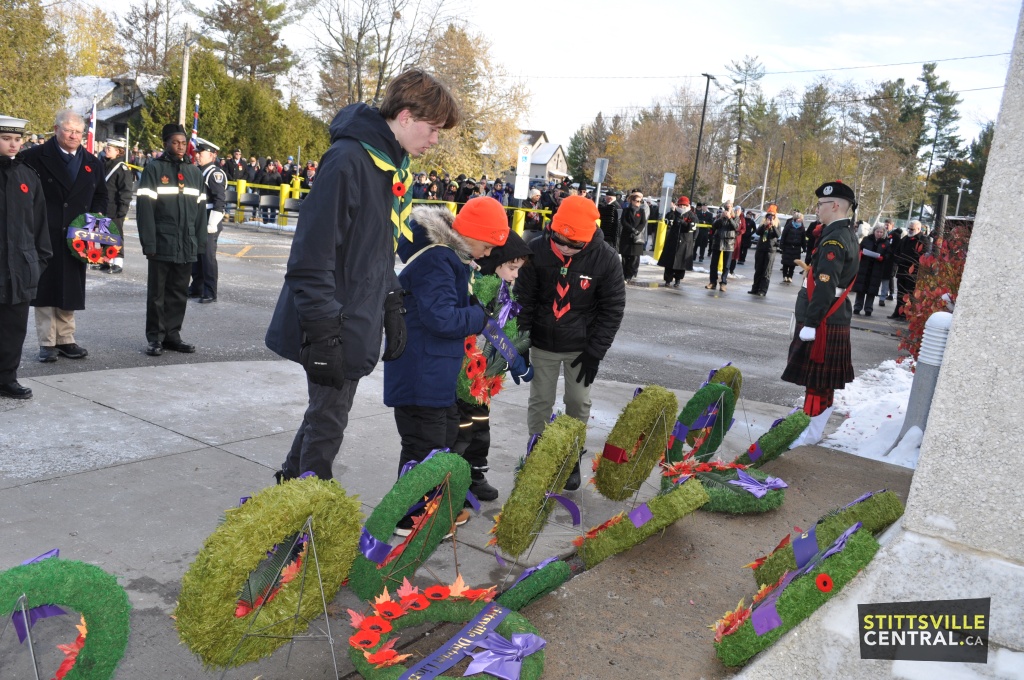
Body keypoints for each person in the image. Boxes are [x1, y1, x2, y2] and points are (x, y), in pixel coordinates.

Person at [266, 68, 460, 483]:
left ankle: (288, 483)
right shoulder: (349, 161)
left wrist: (391, 301)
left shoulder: (388, 166)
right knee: (328, 421)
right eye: (432, 128)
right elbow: (310, 256)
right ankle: (304, 506)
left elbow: (376, 249)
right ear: (405, 116)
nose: (435, 139)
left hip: (355, 314)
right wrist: (324, 332)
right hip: (332, 318)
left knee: (326, 413)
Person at [384, 199, 513, 534]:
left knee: (440, 439)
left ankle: (428, 507)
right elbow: (441, 318)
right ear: (472, 234)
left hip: (433, 372)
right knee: (423, 446)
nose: (487, 254)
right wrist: (478, 315)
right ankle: (409, 517)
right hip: (421, 373)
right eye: (487, 246)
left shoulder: (449, 257)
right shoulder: (439, 260)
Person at [516, 196, 626, 490]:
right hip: (543, 342)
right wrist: (521, 342)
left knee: (577, 400)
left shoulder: (606, 259)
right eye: (559, 240)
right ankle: (538, 452)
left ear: (587, 238)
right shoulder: (537, 250)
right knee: (540, 400)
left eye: (573, 244)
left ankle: (571, 455)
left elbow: (612, 309)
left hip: (581, 347)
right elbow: (524, 300)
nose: (564, 248)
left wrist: (595, 352)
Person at [19, 110, 107, 363]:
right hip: (43, 232)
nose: (73, 135)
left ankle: (66, 339)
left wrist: (95, 221)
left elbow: (101, 195)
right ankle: (47, 342)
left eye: (78, 132)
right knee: (46, 286)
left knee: (70, 286)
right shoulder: (33, 157)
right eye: (68, 130)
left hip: (77, 234)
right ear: (56, 129)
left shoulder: (92, 162)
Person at [452, 229, 533, 502]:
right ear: (496, 262)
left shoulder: (502, 289)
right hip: (466, 376)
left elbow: (507, 329)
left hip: (484, 379)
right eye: (512, 268)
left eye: (518, 269)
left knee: (481, 426)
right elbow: (485, 332)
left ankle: (475, 474)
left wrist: (516, 358)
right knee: (462, 429)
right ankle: (455, 480)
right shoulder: (481, 288)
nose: (515, 275)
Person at [781, 181, 860, 445]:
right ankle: (812, 426)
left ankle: (809, 432)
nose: (817, 209)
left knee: (817, 381)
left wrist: (812, 322)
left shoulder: (835, 239)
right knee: (823, 382)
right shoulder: (844, 233)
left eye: (821, 204)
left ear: (835, 205)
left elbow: (825, 286)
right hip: (833, 316)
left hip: (824, 319)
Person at [136, 123, 207, 357]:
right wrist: (149, 243)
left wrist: (200, 242)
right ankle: (155, 338)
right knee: (157, 293)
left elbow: (201, 212)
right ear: (166, 143)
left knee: (179, 291)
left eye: (183, 142)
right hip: (161, 242)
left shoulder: (195, 173)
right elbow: (145, 210)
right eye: (175, 142)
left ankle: (172, 335)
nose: (180, 146)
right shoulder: (154, 169)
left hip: (187, 243)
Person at [0, 116, 50, 399]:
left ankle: (7, 378)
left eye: (17, 139)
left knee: (13, 327)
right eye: (6, 139)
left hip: (20, 266)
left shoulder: (28, 175)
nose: (13, 144)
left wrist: (39, 261)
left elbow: (40, 223)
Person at [188, 137, 227, 303]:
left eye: (201, 153)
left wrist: (212, 223)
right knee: (196, 256)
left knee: (208, 257)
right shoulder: (200, 171)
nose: (197, 155)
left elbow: (219, 199)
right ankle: (197, 287)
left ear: (212, 155)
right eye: (197, 153)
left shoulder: (214, 173)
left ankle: (210, 291)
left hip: (209, 219)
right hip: (199, 218)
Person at [98, 138, 134, 274]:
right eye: (106, 148)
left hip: (115, 208)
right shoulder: (104, 164)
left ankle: (118, 262)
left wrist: (122, 209)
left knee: (116, 235)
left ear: (118, 151)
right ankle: (106, 260)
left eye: (109, 148)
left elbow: (126, 191)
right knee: (103, 234)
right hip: (104, 207)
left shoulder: (122, 168)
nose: (106, 150)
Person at [889, 220, 928, 320]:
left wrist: (904, 260)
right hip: (902, 271)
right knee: (900, 293)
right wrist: (898, 260)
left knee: (910, 294)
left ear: (918, 229)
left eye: (912, 229)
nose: (910, 230)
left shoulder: (922, 240)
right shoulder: (905, 238)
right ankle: (898, 312)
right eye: (909, 228)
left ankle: (906, 314)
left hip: (913, 272)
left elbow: (921, 256)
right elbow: (897, 251)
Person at [852, 223, 889, 316]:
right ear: (874, 231)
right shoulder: (867, 239)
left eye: (881, 232)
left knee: (871, 290)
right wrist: (861, 253)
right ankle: (857, 307)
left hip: (876, 269)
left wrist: (883, 258)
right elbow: (859, 249)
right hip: (864, 267)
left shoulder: (886, 243)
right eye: (877, 231)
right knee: (861, 289)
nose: (879, 234)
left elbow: (888, 255)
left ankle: (868, 308)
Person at [658, 196, 695, 287]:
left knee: (681, 263)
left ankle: (678, 280)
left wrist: (684, 223)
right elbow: (667, 222)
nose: (681, 206)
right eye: (680, 205)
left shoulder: (691, 215)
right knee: (669, 262)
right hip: (672, 240)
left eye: (683, 205)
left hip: (684, 242)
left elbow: (692, 227)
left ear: (687, 205)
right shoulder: (674, 213)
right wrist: (672, 213)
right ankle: (667, 279)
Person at [749, 206, 781, 296]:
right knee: (758, 269)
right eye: (768, 215)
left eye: (772, 215)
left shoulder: (777, 224)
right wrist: (764, 225)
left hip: (770, 250)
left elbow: (778, 235)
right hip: (760, 249)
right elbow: (758, 232)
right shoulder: (763, 223)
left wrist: (773, 226)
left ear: (775, 216)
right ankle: (755, 288)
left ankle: (763, 290)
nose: (770, 217)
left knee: (766, 271)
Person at [706, 201, 738, 291]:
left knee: (726, 265)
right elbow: (714, 226)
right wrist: (721, 218)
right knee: (713, 264)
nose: (727, 208)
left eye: (729, 207)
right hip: (718, 241)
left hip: (729, 242)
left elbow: (735, 227)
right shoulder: (720, 215)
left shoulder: (735, 217)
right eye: (726, 207)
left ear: (732, 207)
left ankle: (723, 283)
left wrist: (729, 218)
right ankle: (712, 282)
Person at [620, 191, 645, 282]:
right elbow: (623, 221)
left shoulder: (641, 211)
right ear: (632, 201)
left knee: (634, 257)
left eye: (640, 201)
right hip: (627, 235)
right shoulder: (626, 210)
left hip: (636, 237)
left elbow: (643, 222)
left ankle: (630, 274)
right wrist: (631, 229)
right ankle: (624, 273)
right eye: (637, 201)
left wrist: (637, 230)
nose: (638, 203)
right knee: (625, 256)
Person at [877, 218, 899, 307]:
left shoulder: (895, 236)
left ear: (892, 225)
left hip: (890, 261)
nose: (886, 226)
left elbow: (896, 248)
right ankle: (884, 293)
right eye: (885, 224)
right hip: (882, 260)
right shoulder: (884, 234)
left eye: (888, 225)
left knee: (889, 277)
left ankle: (889, 293)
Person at [779, 212, 805, 283]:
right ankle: (785, 276)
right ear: (796, 219)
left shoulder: (802, 228)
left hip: (796, 248)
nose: (800, 220)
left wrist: (804, 247)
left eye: (801, 219)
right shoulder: (789, 225)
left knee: (793, 263)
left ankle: (790, 276)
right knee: (786, 263)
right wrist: (781, 245)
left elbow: (803, 238)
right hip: (788, 247)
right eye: (799, 219)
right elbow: (784, 235)